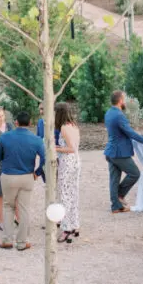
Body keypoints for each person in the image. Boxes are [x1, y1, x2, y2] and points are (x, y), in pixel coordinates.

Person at [0, 111, 45, 251]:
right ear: (30, 124)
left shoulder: (5, 137)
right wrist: (37, 172)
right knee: (24, 209)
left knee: (8, 206)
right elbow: (45, 159)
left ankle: (7, 239)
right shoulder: (36, 140)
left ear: (16, 123)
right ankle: (22, 242)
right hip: (27, 176)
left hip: (8, 175)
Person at [104, 90, 143, 214]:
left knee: (114, 179)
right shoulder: (119, 115)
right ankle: (119, 196)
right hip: (119, 153)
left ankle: (116, 206)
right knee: (135, 173)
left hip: (111, 151)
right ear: (120, 101)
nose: (126, 102)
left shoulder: (109, 112)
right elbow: (130, 132)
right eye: (124, 99)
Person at [55, 102, 81, 243]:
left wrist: (55, 148)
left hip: (68, 162)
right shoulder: (73, 125)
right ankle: (75, 224)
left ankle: (66, 228)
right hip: (75, 161)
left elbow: (70, 148)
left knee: (65, 195)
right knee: (73, 193)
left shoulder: (64, 127)